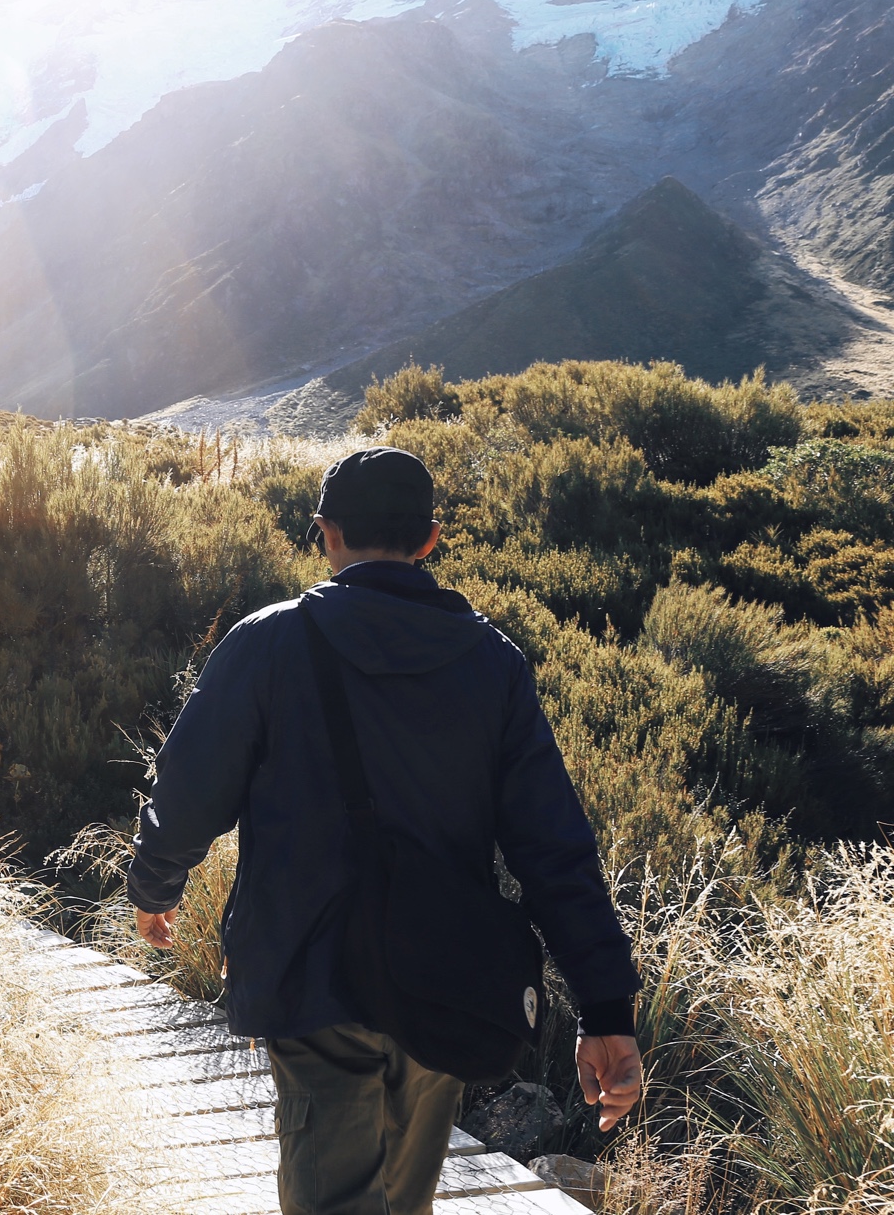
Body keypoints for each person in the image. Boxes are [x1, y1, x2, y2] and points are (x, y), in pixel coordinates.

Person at [129, 447, 642, 1215]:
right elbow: (553, 847)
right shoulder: (492, 664)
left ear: (326, 534)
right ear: (431, 539)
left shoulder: (268, 644)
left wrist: (154, 885)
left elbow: (190, 787)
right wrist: (605, 1007)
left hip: (313, 978)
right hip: (443, 979)